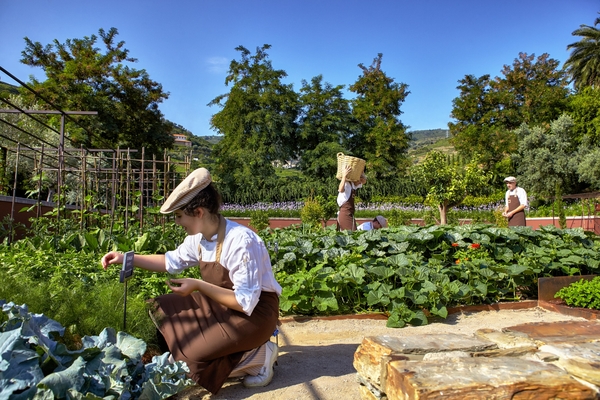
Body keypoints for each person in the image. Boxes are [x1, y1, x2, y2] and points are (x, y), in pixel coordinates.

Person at [100, 168, 281, 394]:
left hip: (254, 315)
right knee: (160, 307)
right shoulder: (198, 238)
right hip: (222, 304)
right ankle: (236, 353)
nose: (177, 222)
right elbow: (170, 261)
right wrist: (127, 258)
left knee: (189, 359)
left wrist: (198, 285)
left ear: (198, 212)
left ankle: (259, 356)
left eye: (178, 216)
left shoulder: (241, 241)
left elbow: (245, 302)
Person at [337, 164, 367, 231]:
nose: (360, 182)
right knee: (351, 233)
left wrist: (361, 171)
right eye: (359, 180)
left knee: (354, 232)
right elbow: (340, 189)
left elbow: (364, 181)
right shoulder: (347, 183)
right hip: (344, 214)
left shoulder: (354, 185)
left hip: (350, 214)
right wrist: (344, 176)